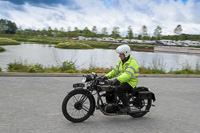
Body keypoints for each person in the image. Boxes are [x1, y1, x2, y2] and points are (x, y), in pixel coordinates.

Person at [103, 44, 140, 113]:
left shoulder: (132, 63)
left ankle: (127, 107)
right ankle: (111, 104)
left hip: (131, 82)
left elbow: (127, 75)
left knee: (118, 89)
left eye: (121, 54)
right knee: (109, 86)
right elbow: (115, 71)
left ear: (126, 53)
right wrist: (106, 76)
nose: (119, 56)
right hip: (123, 80)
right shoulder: (121, 61)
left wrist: (117, 80)